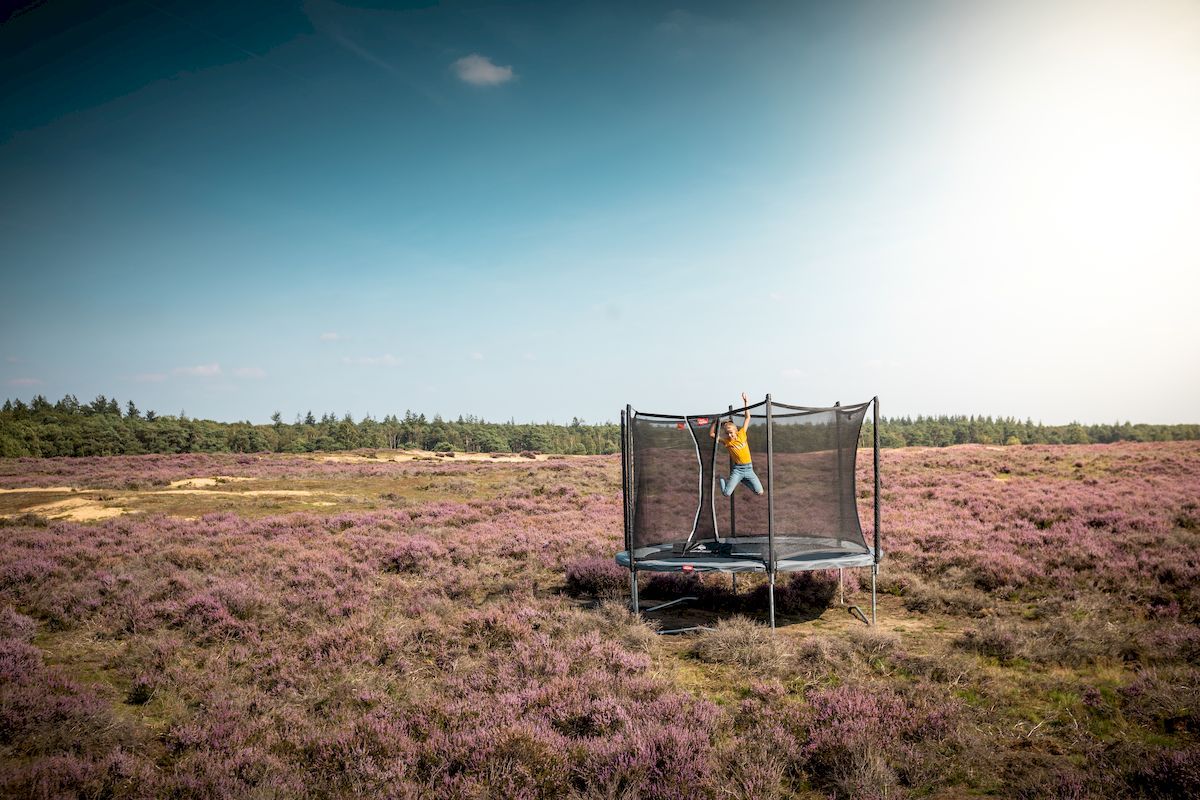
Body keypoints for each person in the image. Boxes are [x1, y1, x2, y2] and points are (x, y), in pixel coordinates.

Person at [710, 392, 765, 497]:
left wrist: (746, 402)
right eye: (727, 433)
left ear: (735, 430)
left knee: (760, 492)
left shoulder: (742, 434)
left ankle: (742, 480)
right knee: (726, 493)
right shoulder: (727, 441)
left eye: (731, 432)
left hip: (749, 469)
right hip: (738, 470)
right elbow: (712, 434)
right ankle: (720, 478)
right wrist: (715, 422)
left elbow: (748, 418)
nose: (730, 435)